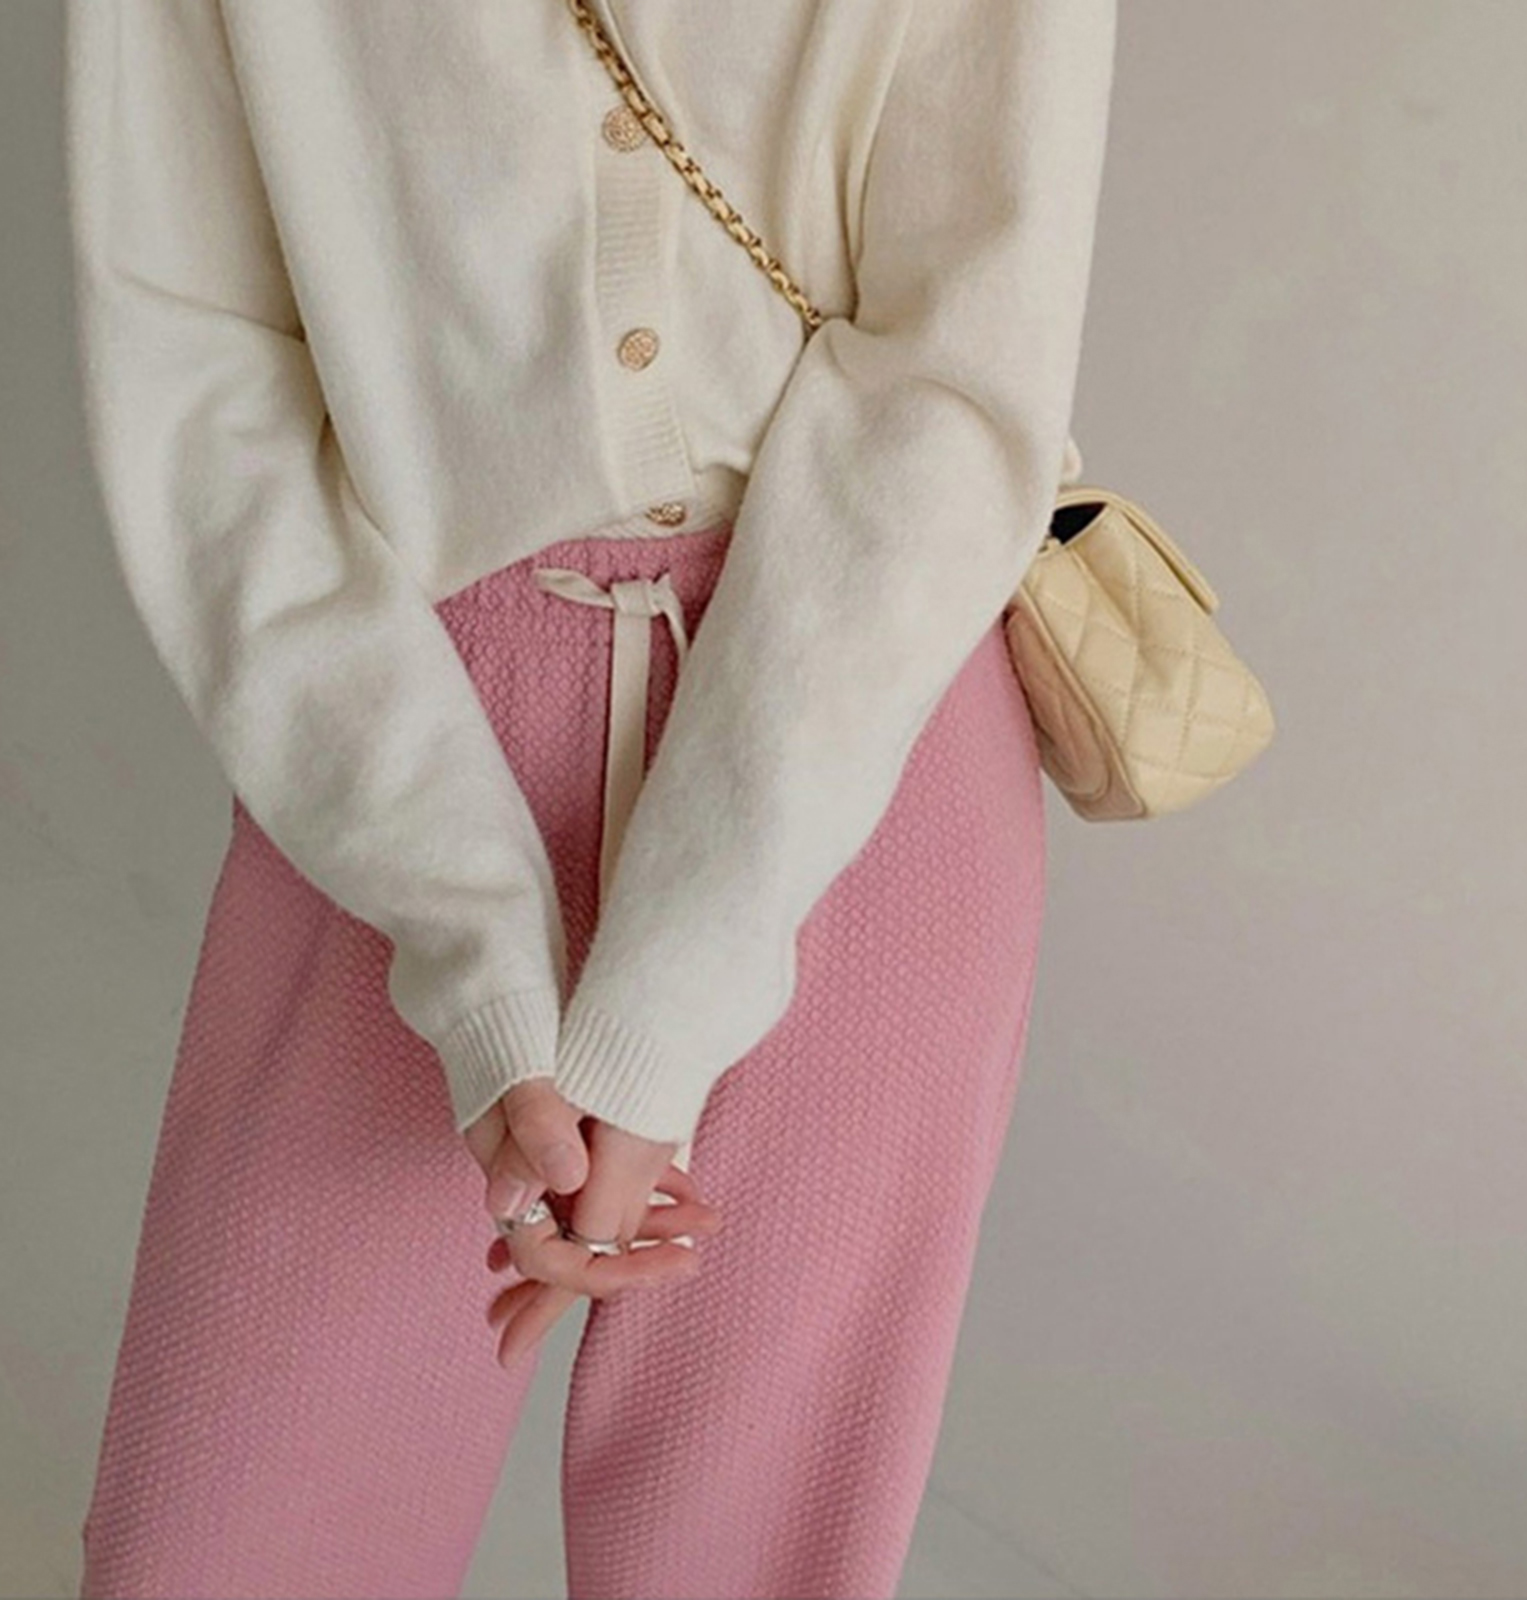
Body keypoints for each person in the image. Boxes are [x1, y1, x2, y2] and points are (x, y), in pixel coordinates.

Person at [61, 0, 1117, 1594]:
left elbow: (959, 375)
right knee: (228, 1545)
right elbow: (195, 380)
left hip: (857, 723)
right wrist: (466, 936)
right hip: (384, 739)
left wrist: (678, 987)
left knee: (752, 1560)